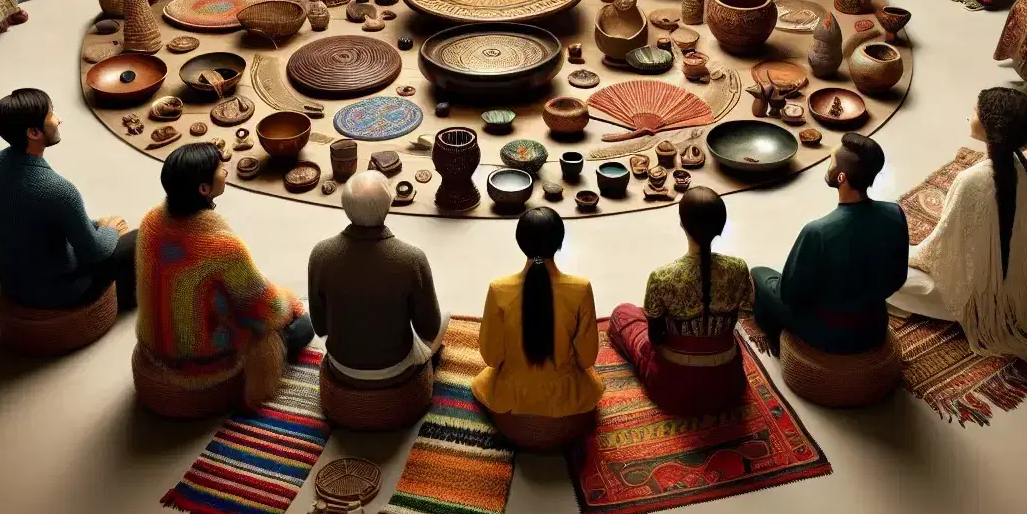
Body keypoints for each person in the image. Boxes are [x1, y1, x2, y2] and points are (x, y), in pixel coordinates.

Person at [889, 88, 1027, 368]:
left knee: (883, 273)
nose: (970, 116)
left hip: (975, 299)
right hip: (1010, 288)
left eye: (975, 112)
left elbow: (939, 247)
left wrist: (904, 255)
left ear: (991, 129)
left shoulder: (971, 180)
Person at [136, 143, 313, 407]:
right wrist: (291, 303)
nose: (226, 170)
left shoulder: (151, 221)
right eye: (220, 168)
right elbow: (268, 308)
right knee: (304, 326)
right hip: (205, 357)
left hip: (156, 344)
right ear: (203, 189)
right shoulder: (222, 247)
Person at [0, 89, 137, 311]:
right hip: (61, 291)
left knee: (88, 227)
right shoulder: (59, 190)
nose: (59, 120)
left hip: (11, 283)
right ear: (33, 132)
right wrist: (111, 231)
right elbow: (95, 252)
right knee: (139, 240)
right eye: (51, 115)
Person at [751, 134, 908, 357]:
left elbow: (788, 294)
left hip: (830, 335)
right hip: (875, 325)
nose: (828, 165)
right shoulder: (895, 213)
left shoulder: (818, 231)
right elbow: (898, 277)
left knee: (760, 275)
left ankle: (776, 337)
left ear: (841, 177)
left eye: (831, 162)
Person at [609, 188, 754, 415]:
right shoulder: (739, 268)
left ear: (682, 224)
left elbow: (655, 338)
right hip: (728, 385)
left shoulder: (662, 277)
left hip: (673, 387)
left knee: (623, 312)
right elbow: (746, 312)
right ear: (721, 226)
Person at [307, 171, 445, 390]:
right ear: (388, 204)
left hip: (342, 365)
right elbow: (429, 329)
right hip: (396, 367)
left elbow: (320, 327)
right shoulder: (412, 258)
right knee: (445, 314)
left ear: (345, 206)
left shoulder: (320, 254)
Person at [471, 207, 604, 421]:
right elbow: (587, 358)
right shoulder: (581, 289)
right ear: (559, 242)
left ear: (520, 242)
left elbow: (492, 358)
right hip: (568, 403)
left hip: (509, 404)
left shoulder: (498, 290)